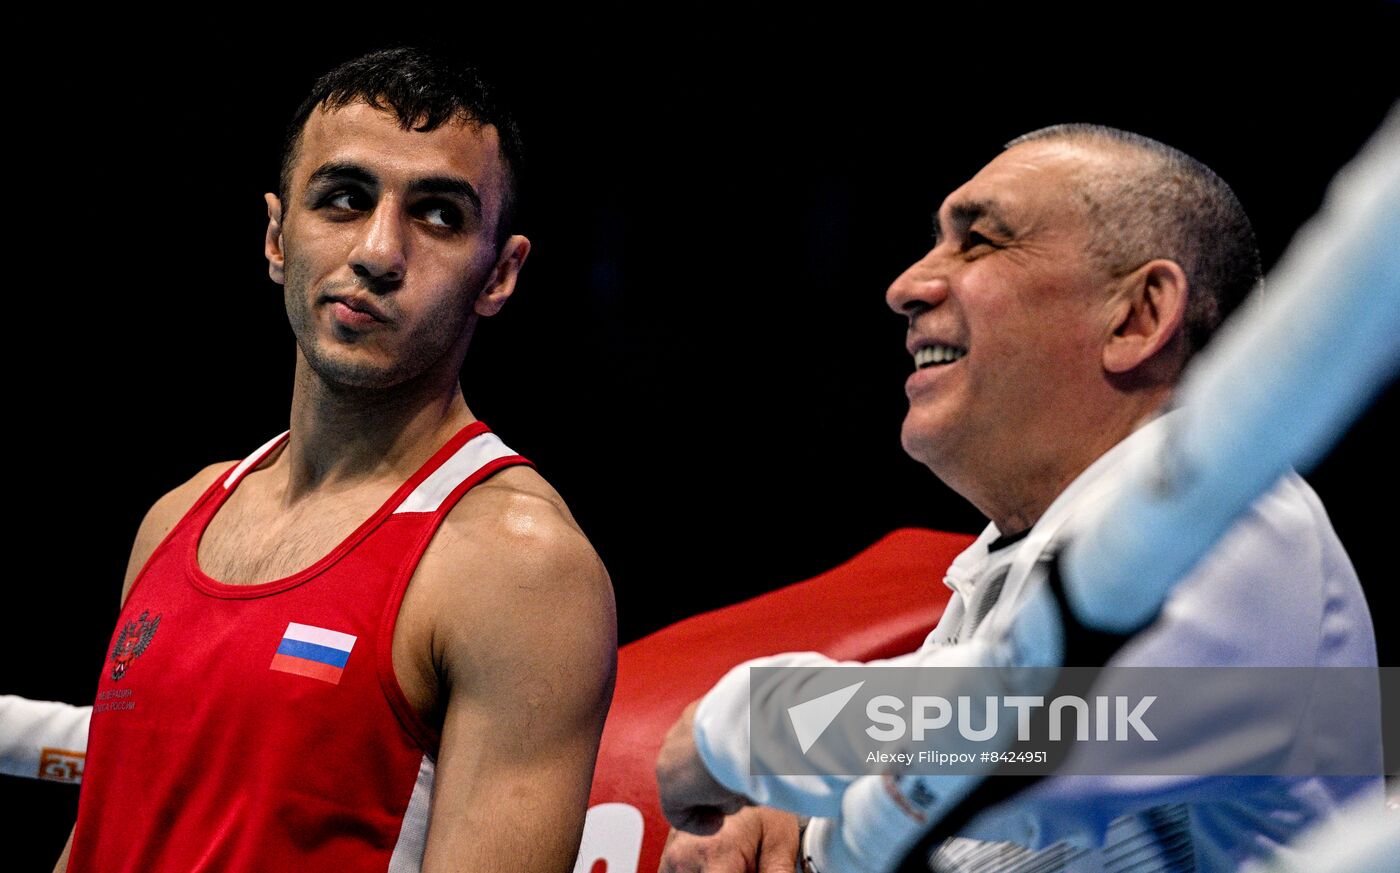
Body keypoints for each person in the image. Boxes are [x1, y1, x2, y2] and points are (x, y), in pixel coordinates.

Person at [653, 126, 1380, 871]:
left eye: (979, 242)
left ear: (1137, 315)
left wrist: (744, 727)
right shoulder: (1015, 565)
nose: (906, 285)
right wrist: (802, 830)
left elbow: (1034, 734)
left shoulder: (1242, 523)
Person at [56, 46, 616, 873]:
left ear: (499, 274)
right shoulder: (175, 519)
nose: (380, 251)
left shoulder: (519, 569)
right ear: (279, 236)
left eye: (437, 215)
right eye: (346, 200)